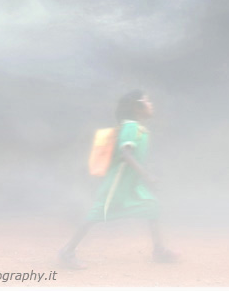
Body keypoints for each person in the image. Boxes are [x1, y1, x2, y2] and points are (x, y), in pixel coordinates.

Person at [59, 90, 178, 269]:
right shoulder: (130, 127)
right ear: (137, 107)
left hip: (131, 185)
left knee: (152, 205)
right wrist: (147, 175)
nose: (151, 104)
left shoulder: (138, 129)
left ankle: (159, 250)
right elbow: (125, 154)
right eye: (147, 101)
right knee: (97, 213)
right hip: (117, 184)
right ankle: (67, 251)